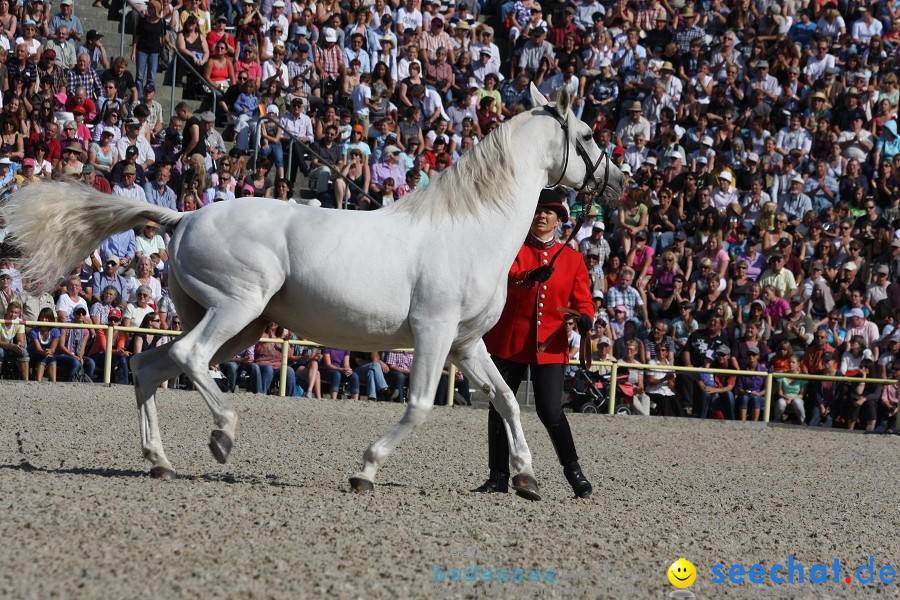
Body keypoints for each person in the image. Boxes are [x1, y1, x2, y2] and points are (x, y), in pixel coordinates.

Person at [474, 188, 594, 498]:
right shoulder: (513, 249)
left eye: (548, 212)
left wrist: (585, 317)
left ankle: (574, 472)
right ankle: (498, 476)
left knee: (551, 411)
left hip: (550, 347)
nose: (541, 215)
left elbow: (583, 301)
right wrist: (527, 277)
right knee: (499, 407)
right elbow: (504, 280)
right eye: (537, 210)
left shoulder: (573, 259)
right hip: (510, 340)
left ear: (558, 220)